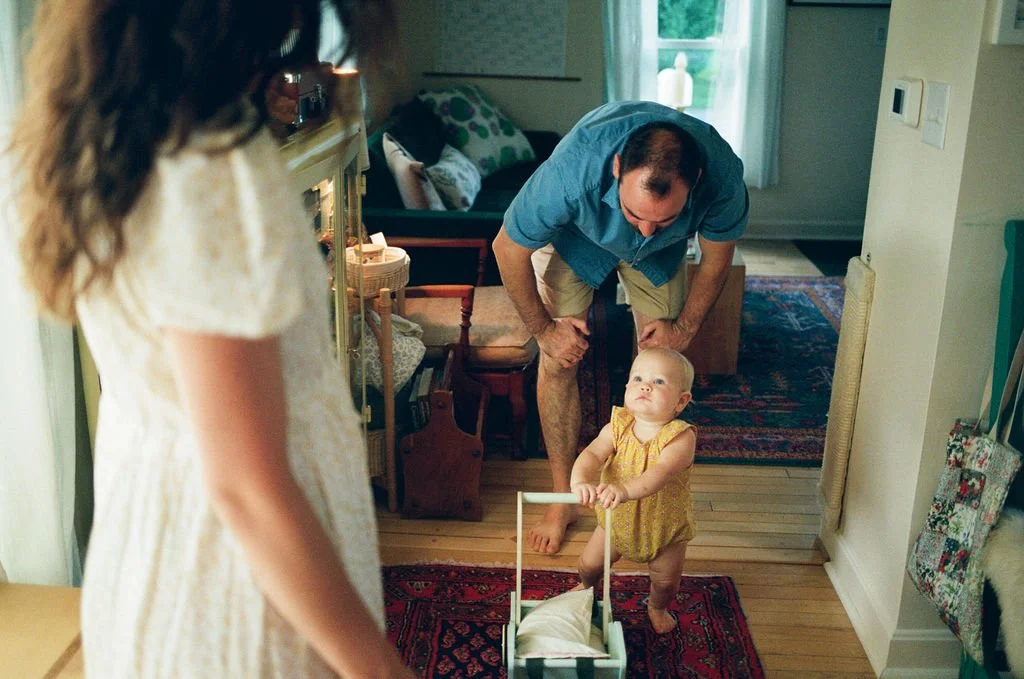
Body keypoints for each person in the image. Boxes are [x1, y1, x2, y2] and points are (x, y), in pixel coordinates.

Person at [11, 1, 414, 677]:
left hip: (162, 542)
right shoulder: (212, 172)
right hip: (236, 586)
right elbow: (247, 487)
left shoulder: (119, 129)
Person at [492, 100, 747, 554]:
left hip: (664, 258)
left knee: (664, 364)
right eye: (636, 215)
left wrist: (684, 329)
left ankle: (635, 493)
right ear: (615, 169)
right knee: (558, 359)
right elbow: (507, 249)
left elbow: (716, 260)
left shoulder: (723, 176)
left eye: (663, 217)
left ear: (697, 184)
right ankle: (565, 497)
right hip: (577, 237)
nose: (645, 229)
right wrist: (545, 331)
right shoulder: (571, 173)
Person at [570, 347, 697, 634]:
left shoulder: (681, 437)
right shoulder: (618, 426)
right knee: (589, 564)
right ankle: (586, 586)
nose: (646, 385)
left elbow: (659, 474)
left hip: (663, 528)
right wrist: (581, 480)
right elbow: (591, 454)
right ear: (627, 387)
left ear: (681, 401)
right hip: (614, 522)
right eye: (638, 377)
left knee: (665, 581)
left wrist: (624, 490)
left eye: (660, 381)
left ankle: (657, 606)